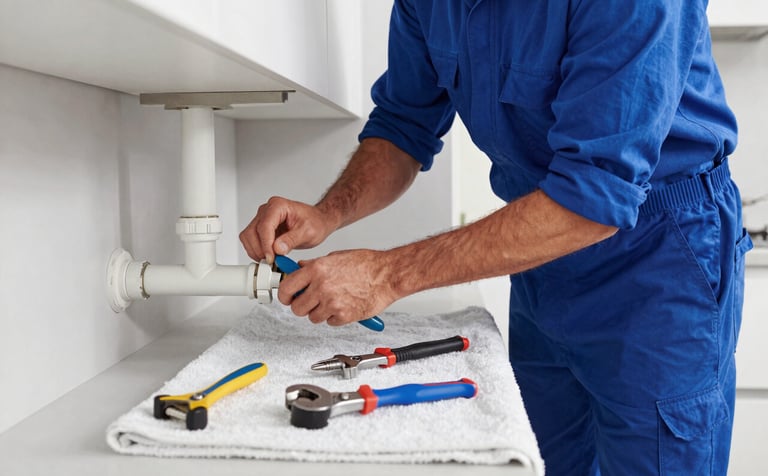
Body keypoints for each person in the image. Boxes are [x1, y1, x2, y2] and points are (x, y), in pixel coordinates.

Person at [240, 1, 752, 474]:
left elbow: (595, 200)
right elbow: (403, 126)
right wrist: (326, 214)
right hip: (539, 257)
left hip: (661, 261)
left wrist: (386, 275)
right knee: (539, 460)